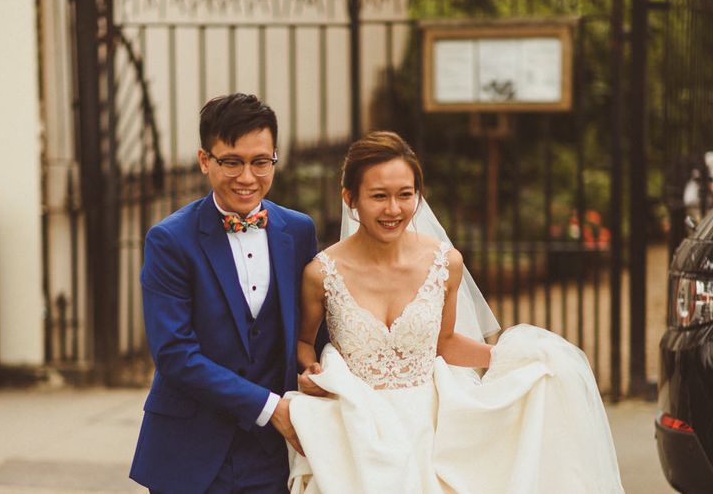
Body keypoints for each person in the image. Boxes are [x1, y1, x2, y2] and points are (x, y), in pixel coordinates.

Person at [288, 131, 624, 493]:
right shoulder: (321, 273)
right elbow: (304, 341)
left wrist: (514, 360)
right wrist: (309, 370)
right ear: (350, 198)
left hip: (430, 428)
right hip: (354, 427)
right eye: (379, 196)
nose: (394, 209)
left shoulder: (444, 263)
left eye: (406, 194)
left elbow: (444, 343)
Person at [130, 93, 320, 494]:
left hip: (274, 454)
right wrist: (271, 409)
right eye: (231, 161)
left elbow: (311, 328)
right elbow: (175, 354)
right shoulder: (170, 240)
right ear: (205, 161)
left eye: (260, 162)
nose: (247, 177)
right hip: (190, 451)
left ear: (274, 159)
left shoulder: (299, 231)